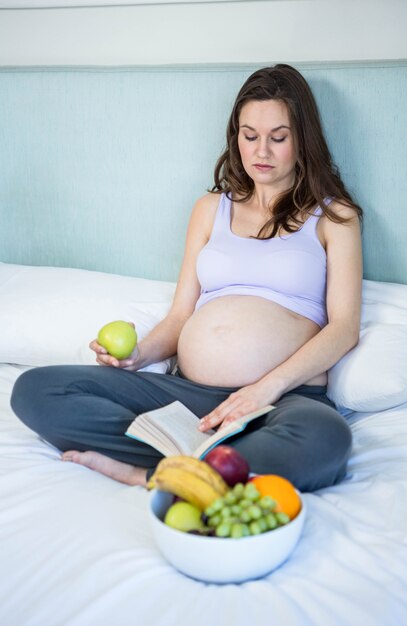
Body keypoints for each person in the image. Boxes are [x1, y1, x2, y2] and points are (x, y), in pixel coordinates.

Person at [11, 64, 363, 493]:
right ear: (236, 135)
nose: (261, 151)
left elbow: (343, 328)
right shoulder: (209, 209)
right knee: (35, 389)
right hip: (188, 397)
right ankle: (220, 461)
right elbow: (181, 316)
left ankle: (157, 472)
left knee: (325, 440)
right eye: (249, 135)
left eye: (278, 137)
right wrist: (138, 357)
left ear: (302, 139)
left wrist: (264, 389)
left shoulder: (334, 217)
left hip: (283, 400)